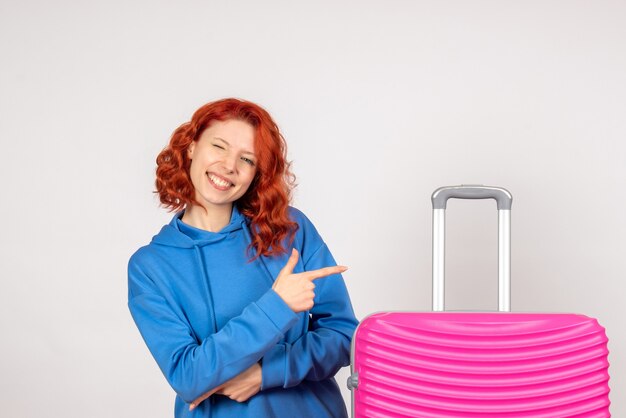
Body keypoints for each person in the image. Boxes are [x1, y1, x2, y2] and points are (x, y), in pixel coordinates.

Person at [127, 98, 358, 418]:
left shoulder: (289, 229)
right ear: (192, 146)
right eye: (218, 146)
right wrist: (278, 306)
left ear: (256, 173)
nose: (229, 165)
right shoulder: (150, 267)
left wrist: (265, 374)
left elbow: (344, 336)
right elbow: (189, 377)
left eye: (246, 159)